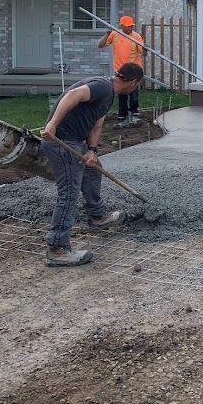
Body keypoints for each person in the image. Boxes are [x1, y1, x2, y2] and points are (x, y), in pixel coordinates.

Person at [40, 62, 144, 267]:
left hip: (77, 142)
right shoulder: (102, 86)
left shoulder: (108, 94)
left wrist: (91, 151)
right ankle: (57, 248)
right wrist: (52, 124)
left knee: (92, 170)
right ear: (132, 82)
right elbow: (72, 95)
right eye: (137, 84)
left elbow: (97, 125)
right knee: (69, 193)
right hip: (61, 141)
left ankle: (97, 217)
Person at [98, 16, 145, 125]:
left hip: (134, 71)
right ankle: (122, 115)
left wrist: (144, 46)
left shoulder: (136, 36)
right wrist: (106, 35)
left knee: (133, 94)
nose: (130, 28)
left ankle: (134, 114)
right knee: (122, 94)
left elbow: (143, 52)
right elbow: (100, 45)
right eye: (127, 26)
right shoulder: (114, 35)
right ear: (122, 26)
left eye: (131, 26)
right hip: (120, 71)